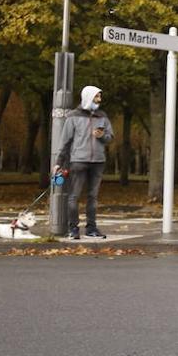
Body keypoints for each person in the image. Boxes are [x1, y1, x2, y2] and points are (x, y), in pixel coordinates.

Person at [55, 85, 113, 240]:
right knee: (74, 196)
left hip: (98, 161)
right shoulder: (74, 116)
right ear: (88, 97)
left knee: (93, 197)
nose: (99, 100)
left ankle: (91, 228)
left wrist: (102, 136)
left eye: (100, 97)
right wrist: (58, 162)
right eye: (96, 97)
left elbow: (110, 137)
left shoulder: (102, 116)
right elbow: (65, 140)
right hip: (78, 161)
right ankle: (73, 229)